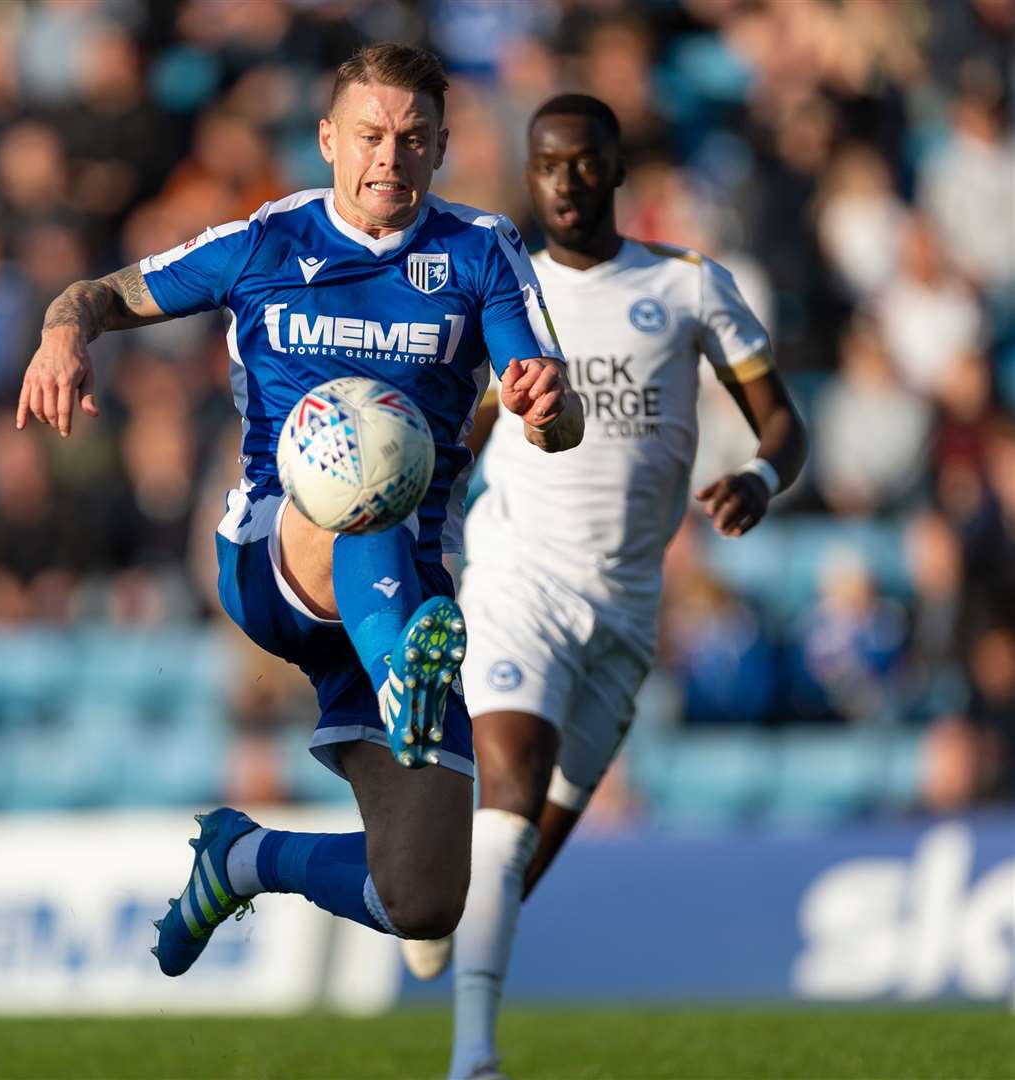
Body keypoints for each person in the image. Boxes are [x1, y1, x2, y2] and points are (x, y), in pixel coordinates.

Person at [15, 44, 583, 977]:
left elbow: (553, 414)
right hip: (276, 551)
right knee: (362, 464)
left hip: (411, 596)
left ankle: (242, 858)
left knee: (423, 898)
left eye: (412, 139)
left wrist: (549, 412)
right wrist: (63, 331)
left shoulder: (481, 250)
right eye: (369, 135)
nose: (388, 158)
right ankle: (406, 666)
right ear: (328, 140)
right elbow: (100, 293)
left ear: (440, 149)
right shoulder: (267, 242)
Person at [401, 94, 808, 1080]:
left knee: (535, 830)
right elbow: (463, 434)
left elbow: (784, 427)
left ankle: (439, 898)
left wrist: (757, 475)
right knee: (510, 783)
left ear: (617, 169)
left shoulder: (687, 287)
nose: (567, 180)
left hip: (625, 609)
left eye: (585, 162)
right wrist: (415, 542)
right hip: (517, 579)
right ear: (528, 175)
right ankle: (472, 1059)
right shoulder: (506, 294)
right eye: (547, 164)